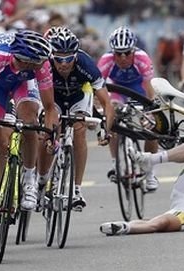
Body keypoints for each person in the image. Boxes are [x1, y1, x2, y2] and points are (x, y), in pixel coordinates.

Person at [0, 30, 59, 236]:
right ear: (19, 57)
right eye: (32, 64)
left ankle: (29, 180)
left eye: (37, 65)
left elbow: (50, 107)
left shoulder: (41, 63)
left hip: (22, 85)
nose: (37, 67)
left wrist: (52, 133)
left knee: (30, 121)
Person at [46, 26, 115, 210]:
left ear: (75, 55)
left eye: (68, 58)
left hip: (79, 96)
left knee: (79, 131)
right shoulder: (45, 64)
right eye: (58, 58)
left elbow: (107, 104)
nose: (63, 64)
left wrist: (106, 130)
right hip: (54, 98)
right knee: (50, 130)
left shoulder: (86, 64)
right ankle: (42, 179)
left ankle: (77, 189)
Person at [98, 26, 160, 191]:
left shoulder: (142, 58)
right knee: (111, 118)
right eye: (118, 53)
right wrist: (101, 110)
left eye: (127, 52)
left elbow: (149, 89)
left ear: (133, 50)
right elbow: (97, 89)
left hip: (138, 90)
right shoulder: (106, 60)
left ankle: (150, 172)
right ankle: (116, 163)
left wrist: (150, 112)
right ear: (113, 53)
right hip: (117, 90)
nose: (123, 57)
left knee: (151, 129)